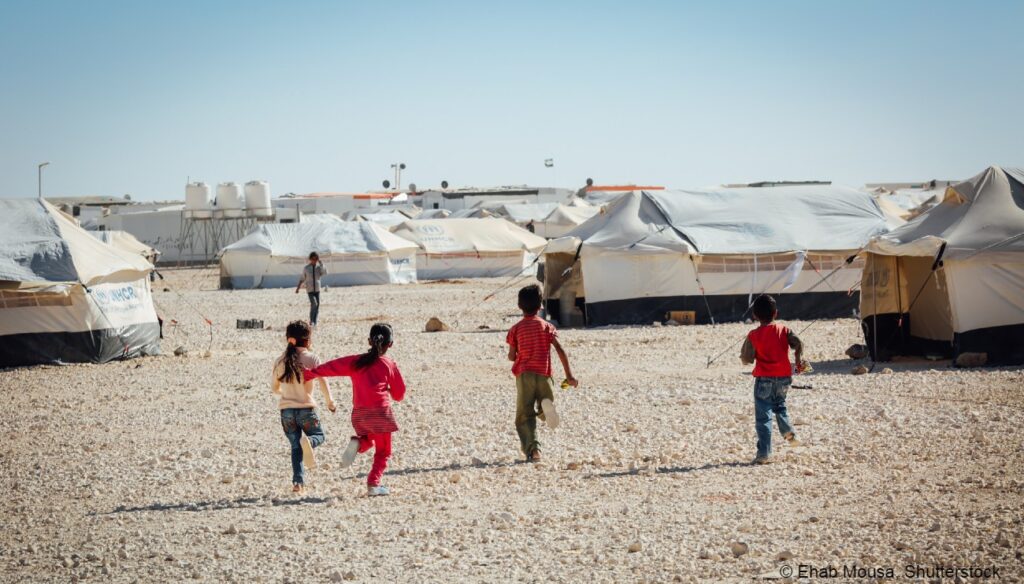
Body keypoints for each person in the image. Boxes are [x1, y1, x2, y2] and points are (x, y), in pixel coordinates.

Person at [305, 323, 406, 497]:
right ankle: (373, 483)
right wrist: (390, 391)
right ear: (390, 344)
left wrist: (310, 373)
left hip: (360, 414)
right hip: (380, 413)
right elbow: (399, 393)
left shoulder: (356, 361)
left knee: (369, 437)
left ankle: (359, 443)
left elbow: (332, 367)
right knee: (383, 451)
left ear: (369, 341)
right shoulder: (389, 364)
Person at [506, 284, 577, 462]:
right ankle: (545, 409)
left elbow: (511, 356)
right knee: (544, 401)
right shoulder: (547, 326)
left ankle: (534, 450)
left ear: (519, 306)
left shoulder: (516, 329)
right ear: (540, 306)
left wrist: (520, 353)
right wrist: (569, 376)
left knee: (525, 414)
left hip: (524, 375)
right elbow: (560, 350)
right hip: (544, 373)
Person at [740, 294, 805, 464]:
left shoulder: (753, 335)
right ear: (775, 313)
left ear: (755, 315)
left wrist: (749, 358)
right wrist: (799, 362)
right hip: (784, 377)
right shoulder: (785, 330)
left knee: (764, 416)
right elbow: (798, 344)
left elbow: (746, 358)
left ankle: (764, 453)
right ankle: (789, 434)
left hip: (763, 380)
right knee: (780, 407)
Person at [272, 320, 336, 493]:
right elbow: (323, 381)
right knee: (319, 435)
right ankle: (309, 442)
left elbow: (274, 388)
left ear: (288, 339)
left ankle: (297, 483)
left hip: (286, 412)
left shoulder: (279, 361)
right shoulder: (312, 358)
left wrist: (285, 392)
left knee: (296, 447)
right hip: (306, 409)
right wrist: (330, 402)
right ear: (308, 340)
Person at [295, 252, 326, 326]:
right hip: (310, 289)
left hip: (317, 289)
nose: (314, 260)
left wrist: (321, 263)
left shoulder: (319, 268)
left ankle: (314, 321)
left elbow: (324, 272)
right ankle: (312, 320)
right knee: (314, 303)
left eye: (316, 259)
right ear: (310, 259)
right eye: (313, 259)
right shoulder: (306, 268)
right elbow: (302, 278)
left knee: (317, 305)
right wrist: (298, 288)